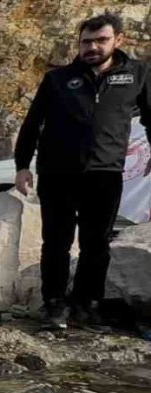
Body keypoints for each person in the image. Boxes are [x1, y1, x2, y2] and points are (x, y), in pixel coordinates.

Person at [14, 13, 151, 330]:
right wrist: (22, 166)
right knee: (56, 242)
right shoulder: (58, 79)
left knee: (96, 244)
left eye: (100, 40)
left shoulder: (137, 75)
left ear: (118, 40)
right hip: (57, 174)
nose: (92, 47)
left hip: (104, 173)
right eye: (86, 41)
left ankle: (86, 304)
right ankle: (54, 304)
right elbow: (32, 124)